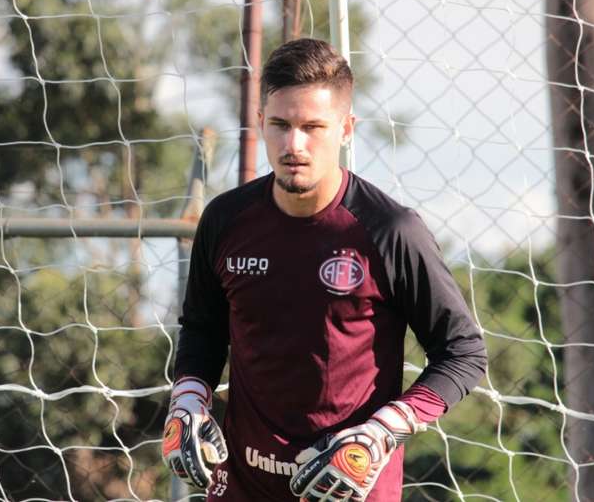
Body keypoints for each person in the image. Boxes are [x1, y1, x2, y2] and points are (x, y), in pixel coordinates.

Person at [162, 38, 487, 501]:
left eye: (313, 126)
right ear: (260, 124)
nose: (294, 144)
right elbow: (202, 329)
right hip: (241, 486)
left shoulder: (391, 230)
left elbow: (464, 352)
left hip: (349, 490)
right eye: (280, 125)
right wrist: (188, 402)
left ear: (346, 128)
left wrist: (381, 434)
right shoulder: (224, 220)